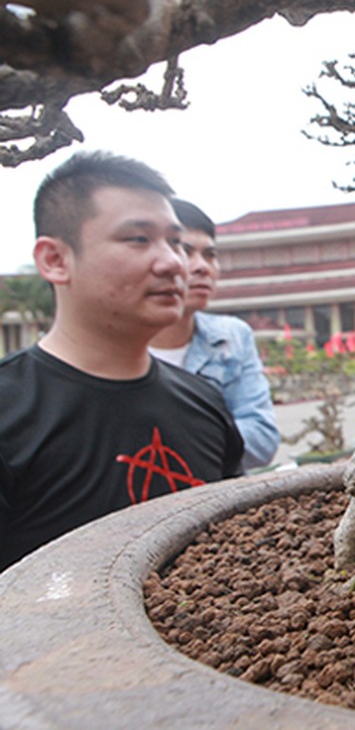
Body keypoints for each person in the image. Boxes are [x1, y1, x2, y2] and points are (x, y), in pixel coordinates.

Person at [0, 151, 244, 571]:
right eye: (138, 239)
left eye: (176, 242)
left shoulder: (205, 402)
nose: (173, 263)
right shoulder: (10, 412)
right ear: (55, 260)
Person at [149, 199, 281, 471]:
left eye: (210, 255)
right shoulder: (115, 352)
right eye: (184, 250)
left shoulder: (231, 337)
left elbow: (262, 439)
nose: (202, 267)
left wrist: (165, 441)